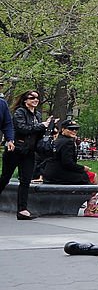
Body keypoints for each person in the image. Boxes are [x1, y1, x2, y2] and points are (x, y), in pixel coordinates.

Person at [1, 90, 55, 219]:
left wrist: (50, 128)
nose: (35, 100)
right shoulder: (20, 112)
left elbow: (36, 133)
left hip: (29, 152)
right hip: (15, 150)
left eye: (37, 98)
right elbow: (22, 128)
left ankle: (22, 210)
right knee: (5, 178)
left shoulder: (37, 114)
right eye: (32, 98)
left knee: (25, 181)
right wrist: (41, 125)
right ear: (25, 100)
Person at [41, 119, 91, 184]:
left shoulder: (57, 140)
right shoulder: (68, 142)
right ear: (63, 129)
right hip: (59, 174)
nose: (74, 131)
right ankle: (88, 194)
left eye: (76, 129)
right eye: (70, 129)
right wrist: (83, 168)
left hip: (48, 173)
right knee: (88, 176)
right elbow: (67, 163)